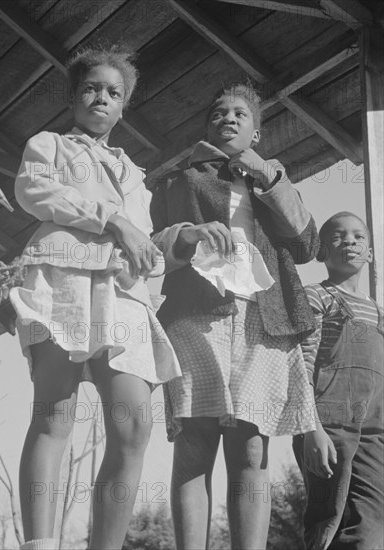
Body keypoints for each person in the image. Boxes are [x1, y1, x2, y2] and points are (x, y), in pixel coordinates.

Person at [10, 46, 181, 550]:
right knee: (54, 414)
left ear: (124, 106)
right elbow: (33, 192)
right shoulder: (49, 145)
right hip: (62, 278)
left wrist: (170, 246)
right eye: (91, 88)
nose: (101, 98)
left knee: (133, 427)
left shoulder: (136, 176)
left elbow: (145, 244)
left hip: (124, 294)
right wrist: (113, 221)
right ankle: (40, 544)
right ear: (72, 98)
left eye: (114, 92)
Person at [150, 83, 319, 549]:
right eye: (219, 112)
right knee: (194, 443)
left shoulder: (273, 179)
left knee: (249, 447)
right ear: (207, 126)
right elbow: (153, 251)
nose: (228, 118)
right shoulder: (174, 181)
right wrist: (188, 234)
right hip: (194, 316)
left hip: (264, 320)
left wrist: (268, 177)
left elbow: (307, 245)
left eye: (240, 113)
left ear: (257, 133)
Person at [292, 212, 383, 550]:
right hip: (328, 429)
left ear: (370, 252)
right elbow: (301, 364)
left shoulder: (379, 314)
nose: (350, 241)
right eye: (338, 236)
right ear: (320, 252)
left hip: (374, 434)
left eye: (359, 236)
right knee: (329, 521)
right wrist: (310, 429)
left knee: (372, 526)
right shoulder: (316, 297)